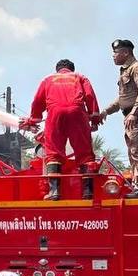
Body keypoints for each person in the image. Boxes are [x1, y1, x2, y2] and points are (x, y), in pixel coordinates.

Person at [25, 59, 100, 200]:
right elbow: (90, 96)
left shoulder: (48, 79)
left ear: (57, 69)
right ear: (71, 69)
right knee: (85, 154)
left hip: (54, 114)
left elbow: (37, 101)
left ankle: (54, 192)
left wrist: (33, 119)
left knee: (53, 153)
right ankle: (88, 193)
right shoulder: (80, 77)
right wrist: (94, 119)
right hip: (77, 113)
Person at [99, 39, 138, 197]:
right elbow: (122, 99)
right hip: (130, 116)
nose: (113, 56)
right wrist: (106, 111)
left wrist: (134, 113)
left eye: (116, 53)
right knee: (133, 151)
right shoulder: (125, 71)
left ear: (125, 52)